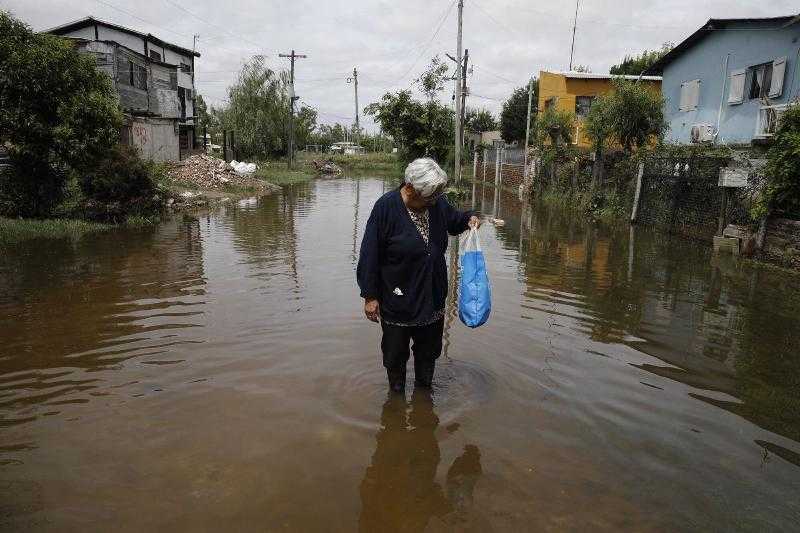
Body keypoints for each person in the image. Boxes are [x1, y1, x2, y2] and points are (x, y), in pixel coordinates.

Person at [357, 158, 480, 392]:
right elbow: (369, 254)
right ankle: (396, 403)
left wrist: (469, 218)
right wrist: (370, 296)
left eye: (436, 197)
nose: (434, 201)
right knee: (395, 357)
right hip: (397, 299)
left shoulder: (436, 204)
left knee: (428, 355)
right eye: (429, 197)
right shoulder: (385, 208)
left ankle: (424, 399)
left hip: (432, 297)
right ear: (410, 188)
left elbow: (454, 221)